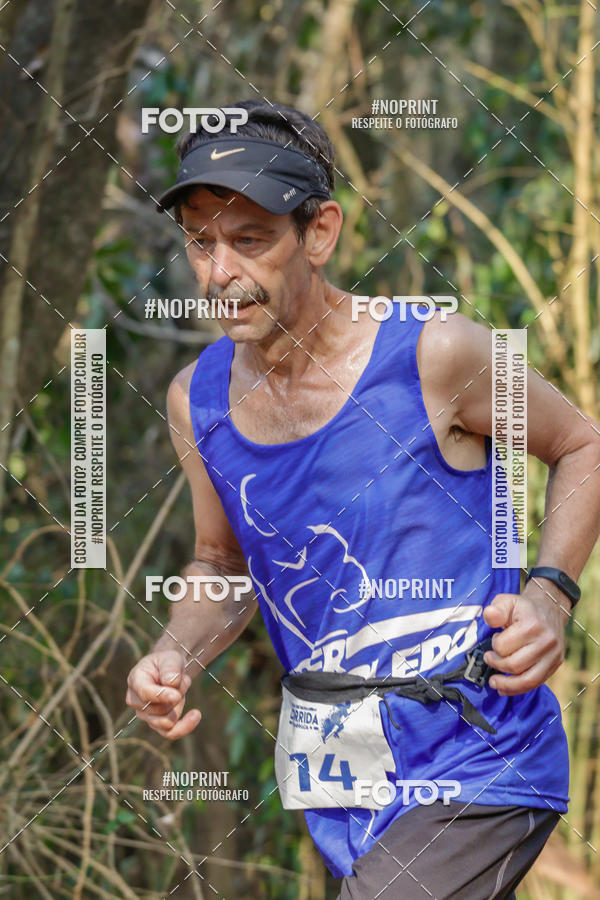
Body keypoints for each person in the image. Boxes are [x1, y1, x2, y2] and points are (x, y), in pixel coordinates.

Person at [126, 99, 600, 898]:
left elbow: (582, 444)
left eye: (248, 240)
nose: (217, 272)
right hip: (343, 776)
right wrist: (176, 652)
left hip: (479, 754)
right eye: (201, 243)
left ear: (320, 233)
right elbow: (221, 562)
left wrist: (550, 595)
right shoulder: (197, 401)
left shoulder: (434, 355)